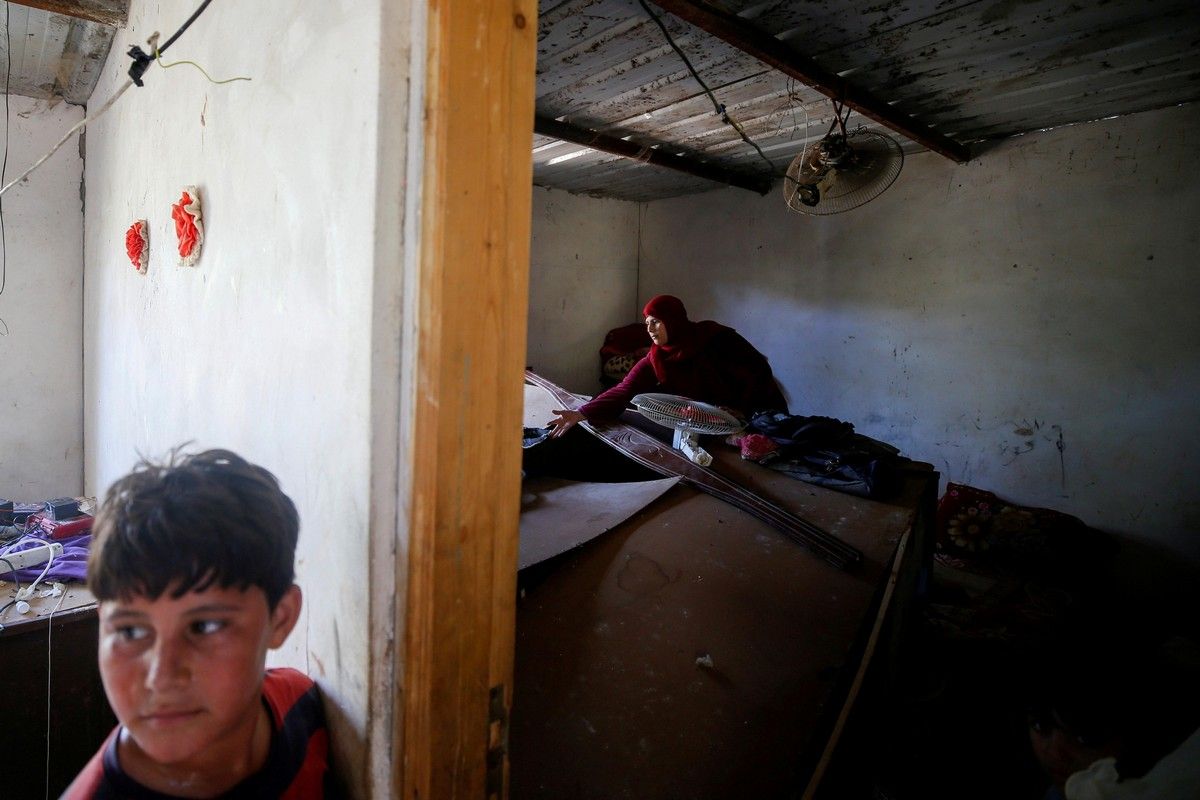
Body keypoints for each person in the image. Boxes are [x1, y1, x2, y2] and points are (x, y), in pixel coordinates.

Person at [63, 449, 330, 799]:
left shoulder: (301, 709)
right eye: (130, 631)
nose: (161, 677)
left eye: (204, 627)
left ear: (280, 618)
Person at [549, 294, 787, 438]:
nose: (650, 330)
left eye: (656, 322)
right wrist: (582, 413)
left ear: (673, 321)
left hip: (757, 411)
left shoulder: (716, 338)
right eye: (647, 323)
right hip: (714, 423)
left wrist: (743, 410)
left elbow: (758, 372)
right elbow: (625, 389)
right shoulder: (658, 357)